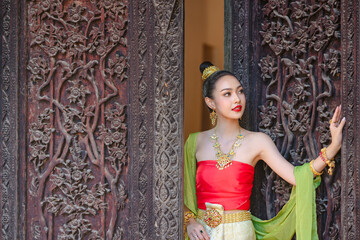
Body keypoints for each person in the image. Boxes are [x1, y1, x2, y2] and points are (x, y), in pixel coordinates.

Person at [183, 61, 345, 240]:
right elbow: (180, 193)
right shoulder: (195, 142)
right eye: (227, 94)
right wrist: (189, 221)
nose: (237, 99)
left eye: (240, 91)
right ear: (210, 102)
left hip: (239, 233)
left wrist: (333, 147)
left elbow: (298, 176)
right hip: (201, 233)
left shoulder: (258, 141)